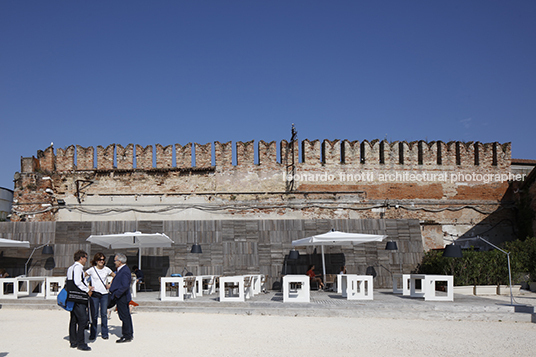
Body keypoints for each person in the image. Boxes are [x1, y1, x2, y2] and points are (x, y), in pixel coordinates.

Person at [67, 250, 94, 351]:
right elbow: (78, 282)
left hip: (72, 296)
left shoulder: (71, 268)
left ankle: (73, 341)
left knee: (73, 319)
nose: (86, 260)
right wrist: (87, 290)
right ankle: (81, 343)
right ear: (81, 258)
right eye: (86, 258)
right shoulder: (78, 268)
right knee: (82, 320)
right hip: (79, 297)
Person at [85, 253, 115, 341]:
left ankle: (104, 333)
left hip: (104, 294)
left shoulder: (107, 269)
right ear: (96, 260)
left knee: (104, 314)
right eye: (99, 259)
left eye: (102, 259)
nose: (101, 261)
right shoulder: (92, 269)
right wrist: (87, 286)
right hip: (94, 294)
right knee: (94, 315)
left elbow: (115, 276)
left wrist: (110, 284)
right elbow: (82, 277)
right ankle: (93, 333)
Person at [109, 253, 133, 343]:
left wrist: (116, 294)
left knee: (124, 316)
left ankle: (127, 335)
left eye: (115, 260)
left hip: (122, 297)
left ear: (119, 261)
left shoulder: (125, 270)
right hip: (120, 296)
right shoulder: (121, 270)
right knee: (124, 315)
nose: (114, 262)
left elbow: (125, 285)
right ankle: (128, 334)